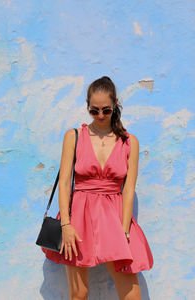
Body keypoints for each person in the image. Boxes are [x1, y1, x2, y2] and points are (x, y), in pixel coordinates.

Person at [41, 76, 154, 300]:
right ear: (87, 106)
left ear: (116, 105)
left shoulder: (130, 141)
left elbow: (128, 189)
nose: (100, 116)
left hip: (114, 217)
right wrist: (66, 224)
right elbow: (65, 182)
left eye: (106, 110)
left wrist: (124, 231)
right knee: (79, 294)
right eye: (94, 111)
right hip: (78, 217)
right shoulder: (73, 136)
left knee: (132, 295)